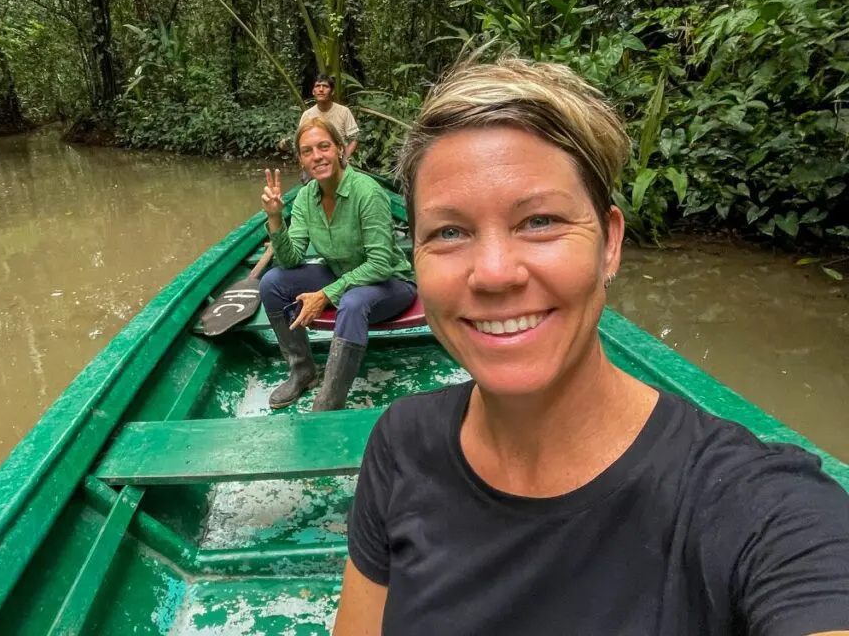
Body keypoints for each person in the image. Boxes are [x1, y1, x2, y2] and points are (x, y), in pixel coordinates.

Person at [332, 59, 849, 635]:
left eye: (540, 221)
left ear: (610, 244)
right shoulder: (402, 444)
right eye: (449, 232)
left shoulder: (756, 508)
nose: (495, 273)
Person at [259, 116, 415, 412]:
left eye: (323, 146)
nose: (316, 156)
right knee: (272, 282)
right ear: (301, 161)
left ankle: (329, 401)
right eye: (307, 151)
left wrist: (326, 294)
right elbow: (290, 260)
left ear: (340, 149)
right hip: (341, 273)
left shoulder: (366, 192)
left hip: (390, 283)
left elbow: (381, 264)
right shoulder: (306, 197)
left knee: (353, 301)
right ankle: (302, 371)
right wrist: (275, 218)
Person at [281, 74, 361, 164]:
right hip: (316, 160)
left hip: (339, 160)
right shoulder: (307, 115)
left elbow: (354, 138)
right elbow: (301, 141)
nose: (321, 89)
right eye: (317, 86)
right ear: (313, 91)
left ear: (332, 91)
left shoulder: (344, 112)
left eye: (325, 86)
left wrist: (345, 157)